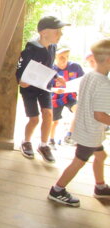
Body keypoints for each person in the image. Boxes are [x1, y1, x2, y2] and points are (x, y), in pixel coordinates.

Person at [48, 39, 110, 207]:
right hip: (90, 132)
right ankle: (57, 190)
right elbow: (99, 115)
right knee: (78, 162)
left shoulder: (89, 75)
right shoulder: (104, 83)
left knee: (101, 155)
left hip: (86, 128)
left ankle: (100, 186)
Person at [15, 16, 68, 163]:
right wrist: (21, 81)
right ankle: (26, 142)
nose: (60, 35)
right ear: (44, 33)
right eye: (57, 32)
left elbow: (48, 67)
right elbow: (19, 72)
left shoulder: (52, 47)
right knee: (34, 119)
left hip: (44, 86)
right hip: (29, 89)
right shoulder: (29, 50)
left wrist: (56, 76)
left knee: (48, 114)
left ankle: (44, 145)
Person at [49, 46, 84, 149]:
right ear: (55, 57)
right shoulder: (51, 68)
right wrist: (54, 90)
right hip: (55, 98)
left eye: (67, 56)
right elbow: (45, 86)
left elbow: (82, 80)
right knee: (54, 121)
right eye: (61, 57)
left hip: (70, 96)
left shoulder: (75, 67)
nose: (64, 59)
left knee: (79, 111)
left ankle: (69, 135)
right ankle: (51, 140)